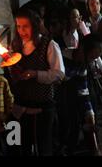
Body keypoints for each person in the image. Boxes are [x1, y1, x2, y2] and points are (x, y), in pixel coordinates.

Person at [9, 8, 65, 156]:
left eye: (25, 26)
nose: (22, 30)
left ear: (34, 25)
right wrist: (13, 71)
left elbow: (59, 74)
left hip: (43, 106)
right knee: (19, 146)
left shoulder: (49, 45)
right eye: (19, 26)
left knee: (43, 146)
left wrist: (35, 74)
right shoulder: (15, 46)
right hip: (20, 106)